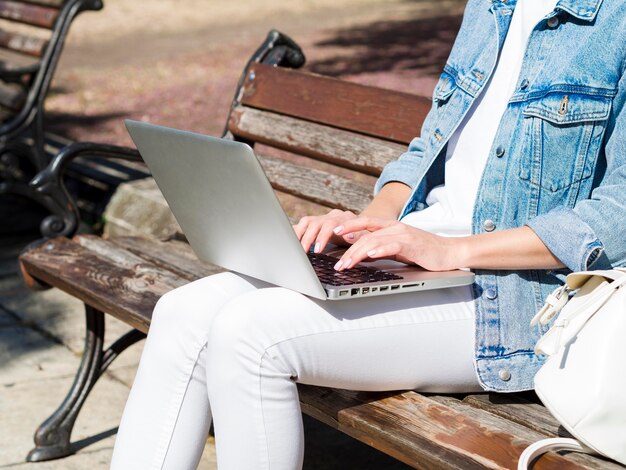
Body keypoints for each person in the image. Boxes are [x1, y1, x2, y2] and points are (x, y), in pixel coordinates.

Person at [110, 0, 625, 468]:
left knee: (251, 337)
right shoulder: (494, 7)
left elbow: (617, 215)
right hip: (425, 255)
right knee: (182, 313)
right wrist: (374, 221)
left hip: (525, 300)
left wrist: (450, 250)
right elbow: (431, 144)